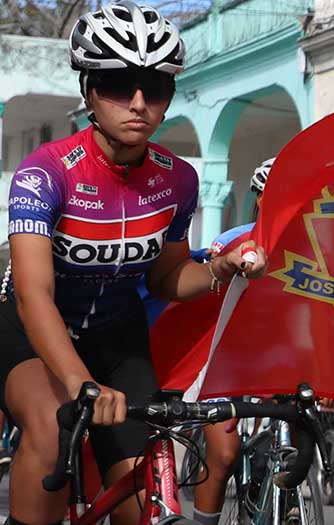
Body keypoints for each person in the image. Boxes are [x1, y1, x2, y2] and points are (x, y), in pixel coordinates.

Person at [0, 3, 267, 525]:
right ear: (90, 92)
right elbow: (35, 294)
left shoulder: (178, 180)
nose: (139, 103)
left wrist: (221, 268)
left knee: (148, 490)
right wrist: (80, 384)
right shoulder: (44, 173)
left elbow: (167, 279)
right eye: (120, 84)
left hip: (117, 338)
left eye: (156, 87)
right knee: (54, 432)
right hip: (31, 327)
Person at [190, 157, 274, 525]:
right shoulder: (232, 241)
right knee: (224, 455)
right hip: (224, 357)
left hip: (275, 361)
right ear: (258, 198)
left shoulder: (310, 244)